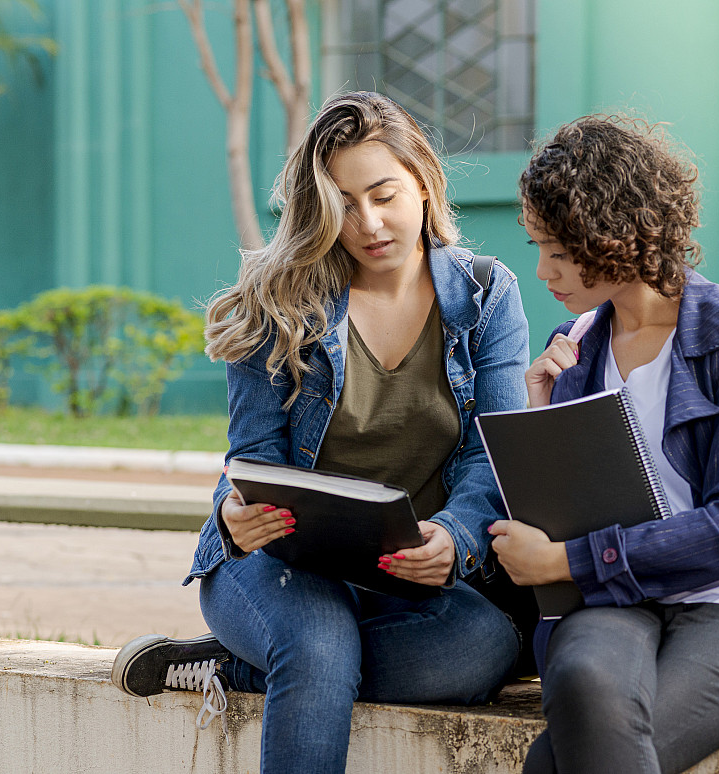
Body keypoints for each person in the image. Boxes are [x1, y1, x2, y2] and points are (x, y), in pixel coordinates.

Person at [110, 91, 532, 774]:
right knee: (318, 645)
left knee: (479, 648)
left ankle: (248, 667)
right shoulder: (278, 300)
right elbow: (252, 459)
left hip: (402, 574)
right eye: (342, 204)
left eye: (384, 193)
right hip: (277, 565)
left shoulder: (487, 295)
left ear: (424, 183)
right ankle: (296, 659)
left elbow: (495, 452)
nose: (368, 222)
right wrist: (232, 512)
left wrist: (454, 536)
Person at [489, 115, 719, 774]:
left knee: (562, 760)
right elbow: (560, 516)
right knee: (582, 682)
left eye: (559, 249)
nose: (542, 270)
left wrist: (571, 562)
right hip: (618, 603)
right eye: (537, 246)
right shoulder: (574, 347)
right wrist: (539, 412)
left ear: (615, 232)